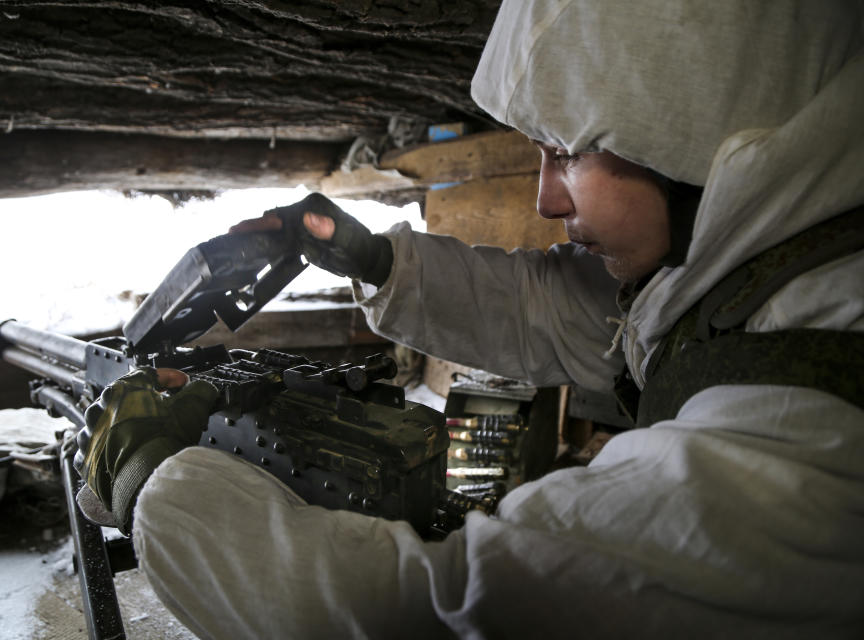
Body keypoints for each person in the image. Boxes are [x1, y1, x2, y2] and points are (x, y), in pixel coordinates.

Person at [75, 1, 864, 637]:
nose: (545, 199)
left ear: (692, 134)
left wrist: (155, 484)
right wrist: (374, 260)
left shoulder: (801, 447)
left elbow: (431, 609)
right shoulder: (777, 276)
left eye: (568, 153)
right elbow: (563, 311)